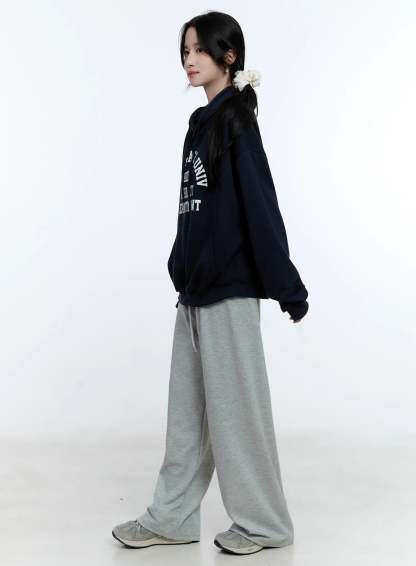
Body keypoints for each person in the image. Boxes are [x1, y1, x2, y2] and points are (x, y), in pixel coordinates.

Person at [112, 10, 309, 556]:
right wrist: (180, 263)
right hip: (195, 291)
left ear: (229, 56)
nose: (189, 60)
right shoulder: (199, 124)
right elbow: (193, 208)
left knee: (237, 413)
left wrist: (287, 286)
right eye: (185, 51)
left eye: (199, 50)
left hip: (230, 291)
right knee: (188, 416)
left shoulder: (236, 122)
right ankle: (172, 517)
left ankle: (266, 525)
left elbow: (260, 206)